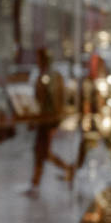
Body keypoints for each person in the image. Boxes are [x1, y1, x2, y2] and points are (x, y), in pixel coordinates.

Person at [24, 47, 71, 195]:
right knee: (42, 152)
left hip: (47, 120)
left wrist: (54, 119)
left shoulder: (50, 76)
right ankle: (66, 169)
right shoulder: (42, 75)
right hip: (42, 119)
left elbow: (52, 100)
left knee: (41, 151)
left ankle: (36, 183)